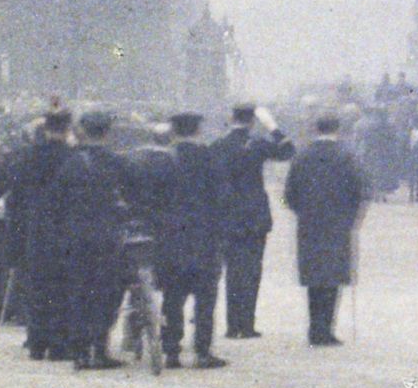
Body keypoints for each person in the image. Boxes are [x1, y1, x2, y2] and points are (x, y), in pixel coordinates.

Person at [283, 113, 370, 347]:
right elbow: (361, 190)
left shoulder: (302, 156)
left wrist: (304, 211)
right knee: (332, 276)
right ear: (338, 129)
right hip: (338, 223)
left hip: (309, 224)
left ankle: (314, 328)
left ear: (315, 129)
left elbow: (289, 195)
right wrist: (353, 218)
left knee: (314, 277)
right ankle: (326, 329)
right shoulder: (347, 156)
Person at [213, 103, 295, 340]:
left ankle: (232, 325)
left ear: (231, 118)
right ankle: (246, 324)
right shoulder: (257, 144)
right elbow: (288, 150)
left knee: (232, 271)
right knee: (251, 270)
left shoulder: (219, 145)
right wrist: (272, 126)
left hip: (228, 215)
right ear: (252, 121)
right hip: (254, 214)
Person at [59, 109, 132, 370]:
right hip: (107, 235)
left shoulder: (71, 162)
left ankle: (78, 351)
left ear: (83, 131)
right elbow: (132, 195)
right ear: (107, 132)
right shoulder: (117, 162)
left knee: (78, 291)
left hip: (76, 235)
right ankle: (99, 349)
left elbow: (58, 199)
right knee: (105, 292)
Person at [158, 112, 226, 368]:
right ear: (198, 130)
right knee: (205, 297)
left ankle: (171, 350)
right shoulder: (209, 157)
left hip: (172, 237)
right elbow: (222, 197)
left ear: (173, 131)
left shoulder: (165, 159)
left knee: (173, 296)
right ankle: (202, 350)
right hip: (205, 237)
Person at [7, 107, 76, 359]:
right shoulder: (74, 157)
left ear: (45, 128)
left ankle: (36, 342)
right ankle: (59, 344)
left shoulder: (27, 156)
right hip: (65, 228)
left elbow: (15, 199)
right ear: (68, 129)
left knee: (37, 285)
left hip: (34, 228)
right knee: (62, 286)